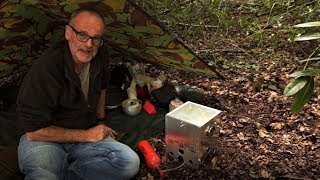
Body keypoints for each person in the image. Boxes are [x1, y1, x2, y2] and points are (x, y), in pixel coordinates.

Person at [16, 8, 140, 180]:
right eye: (82, 35)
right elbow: (34, 132)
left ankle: (69, 173)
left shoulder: (100, 54)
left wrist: (101, 122)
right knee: (44, 176)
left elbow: (102, 87)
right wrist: (86, 135)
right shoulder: (47, 68)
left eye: (95, 38)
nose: (89, 44)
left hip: (83, 133)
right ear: (68, 33)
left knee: (128, 162)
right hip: (45, 140)